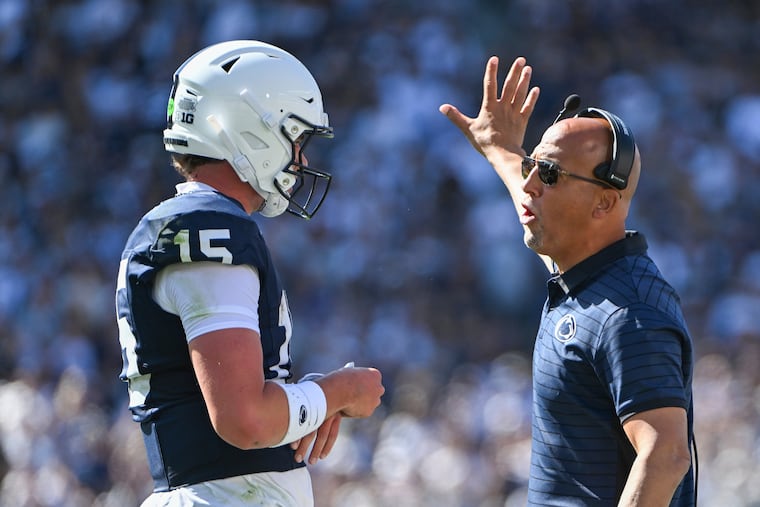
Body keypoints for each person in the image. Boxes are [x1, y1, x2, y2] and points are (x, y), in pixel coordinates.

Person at [114, 40, 384, 507]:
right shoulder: (206, 227)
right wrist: (338, 390)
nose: (300, 161)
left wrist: (307, 400)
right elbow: (245, 420)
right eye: (295, 139)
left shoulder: (197, 222)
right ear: (248, 129)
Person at [440, 56, 695, 506]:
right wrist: (500, 149)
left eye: (550, 174)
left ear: (604, 203)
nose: (532, 183)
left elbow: (666, 455)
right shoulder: (585, 274)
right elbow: (531, 195)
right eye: (532, 166)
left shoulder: (629, 311)